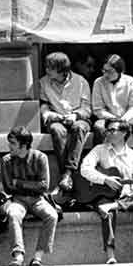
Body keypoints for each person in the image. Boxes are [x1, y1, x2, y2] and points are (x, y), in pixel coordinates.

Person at [78, 119, 133, 264]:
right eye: (107, 130)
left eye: (112, 130)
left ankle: (118, 204)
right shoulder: (99, 149)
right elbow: (85, 169)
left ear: (123, 133)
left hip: (127, 195)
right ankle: (110, 254)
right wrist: (105, 179)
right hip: (106, 195)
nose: (107, 133)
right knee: (108, 210)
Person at [1, 126, 57, 266]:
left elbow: (44, 186)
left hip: (38, 199)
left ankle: (37, 257)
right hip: (18, 199)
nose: (9, 146)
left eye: (13, 143)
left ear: (24, 145)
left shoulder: (40, 158)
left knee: (52, 215)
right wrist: (31, 185)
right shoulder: (7, 161)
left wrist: (19, 182)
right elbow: (8, 187)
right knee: (13, 214)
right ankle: (18, 254)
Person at [38, 51, 92, 196]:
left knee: (79, 128)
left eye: (50, 67)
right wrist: (48, 114)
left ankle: (67, 174)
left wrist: (75, 115)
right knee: (57, 130)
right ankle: (66, 175)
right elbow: (43, 104)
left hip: (77, 118)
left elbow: (87, 109)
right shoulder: (43, 82)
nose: (46, 70)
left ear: (61, 70)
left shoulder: (81, 82)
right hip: (57, 119)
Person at [91, 54, 133, 157]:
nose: (105, 74)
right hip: (107, 118)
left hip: (127, 118)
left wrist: (124, 119)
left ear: (119, 71)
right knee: (98, 127)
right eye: (104, 70)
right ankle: (99, 163)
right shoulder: (98, 82)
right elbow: (97, 108)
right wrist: (112, 118)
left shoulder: (131, 81)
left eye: (109, 71)